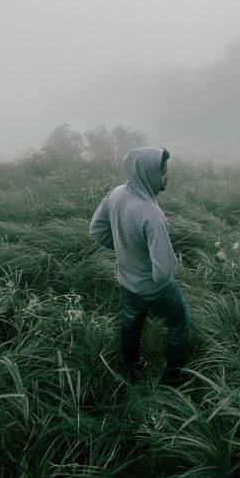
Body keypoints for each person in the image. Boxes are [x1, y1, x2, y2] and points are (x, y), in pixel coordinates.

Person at [89, 146, 191, 387]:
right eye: (163, 171)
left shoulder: (116, 194)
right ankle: (173, 379)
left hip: (126, 279)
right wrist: (156, 276)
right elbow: (163, 272)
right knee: (179, 326)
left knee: (131, 322)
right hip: (154, 288)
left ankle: (133, 370)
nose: (167, 176)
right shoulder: (152, 215)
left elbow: (96, 230)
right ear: (147, 174)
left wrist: (127, 252)